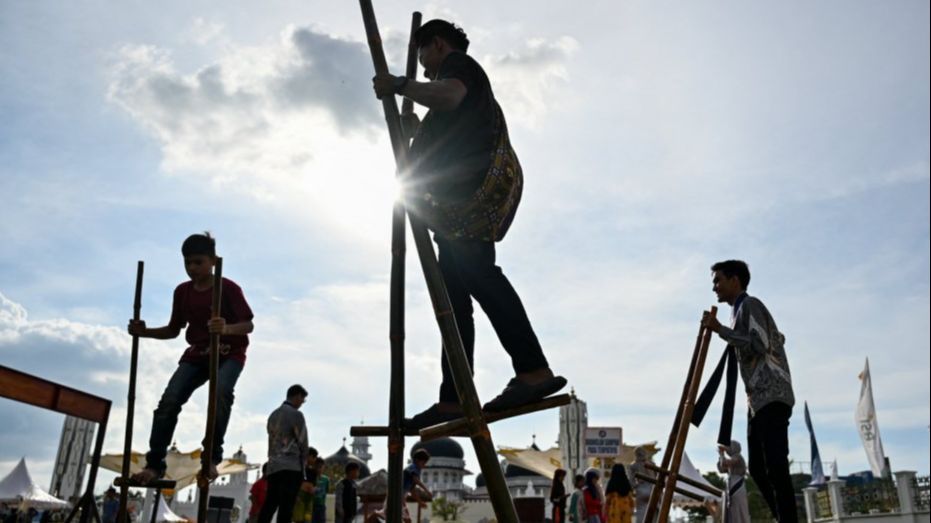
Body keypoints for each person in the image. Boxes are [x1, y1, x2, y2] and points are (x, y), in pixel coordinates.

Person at [372, 19, 566, 429]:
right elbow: (441, 127)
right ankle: (454, 397)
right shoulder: (456, 85)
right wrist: (412, 128)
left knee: (479, 276)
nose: (424, 68)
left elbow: (447, 96)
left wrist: (402, 85)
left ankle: (533, 370)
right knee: (454, 300)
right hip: (452, 206)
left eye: (424, 59)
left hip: (467, 198)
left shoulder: (460, 67)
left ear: (436, 45)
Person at [128, 232, 255, 484]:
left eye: (198, 262)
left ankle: (211, 459)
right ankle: (155, 465)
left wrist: (226, 329)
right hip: (198, 354)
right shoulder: (183, 292)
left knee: (221, 394)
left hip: (230, 353)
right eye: (187, 262)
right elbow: (173, 330)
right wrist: (144, 333)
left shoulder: (227, 288)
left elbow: (248, 325)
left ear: (213, 261)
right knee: (169, 401)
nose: (192, 268)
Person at [702, 260, 797, 522]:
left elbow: (760, 343)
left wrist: (720, 330)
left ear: (735, 280)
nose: (715, 287)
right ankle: (783, 516)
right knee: (757, 466)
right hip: (757, 399)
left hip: (772, 394)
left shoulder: (750, 304)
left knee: (776, 464)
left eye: (718, 280)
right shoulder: (738, 311)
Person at [258, 385, 310, 523]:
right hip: (291, 467)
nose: (301, 404)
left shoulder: (273, 415)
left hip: (273, 467)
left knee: (270, 504)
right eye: (302, 400)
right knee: (286, 507)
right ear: (297, 396)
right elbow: (303, 442)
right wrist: (305, 463)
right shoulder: (296, 414)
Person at [717, 441, 751, 523]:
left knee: (738, 509)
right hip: (731, 484)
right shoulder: (734, 457)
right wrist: (721, 456)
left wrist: (722, 454)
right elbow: (721, 469)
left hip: (737, 485)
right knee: (732, 510)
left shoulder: (737, 456)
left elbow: (725, 463)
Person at [628, 447, 654, 523]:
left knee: (640, 511)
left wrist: (635, 487)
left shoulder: (633, 465)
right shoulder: (651, 464)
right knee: (653, 510)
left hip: (641, 489)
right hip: (652, 489)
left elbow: (631, 480)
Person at [310, 458, 330, 523]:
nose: (319, 469)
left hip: (321, 505)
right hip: (311, 505)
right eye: (317, 467)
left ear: (323, 467)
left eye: (320, 467)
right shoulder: (310, 478)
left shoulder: (326, 479)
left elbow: (326, 491)